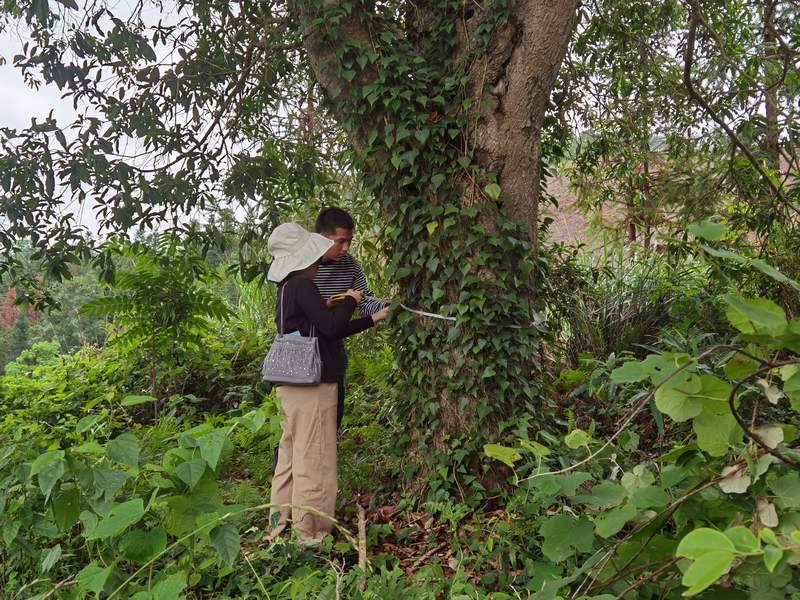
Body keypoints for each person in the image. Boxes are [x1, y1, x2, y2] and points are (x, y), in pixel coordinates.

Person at [265, 223, 389, 542]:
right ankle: (310, 533)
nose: (318, 263)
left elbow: (321, 326)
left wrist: (370, 318)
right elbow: (332, 328)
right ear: (302, 260)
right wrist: (351, 299)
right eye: (314, 258)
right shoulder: (304, 286)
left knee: (291, 457)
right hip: (313, 383)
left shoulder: (286, 289)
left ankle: (278, 527)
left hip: (288, 383)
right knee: (315, 458)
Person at [313, 207, 390, 429]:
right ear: (321, 238)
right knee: (298, 419)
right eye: (339, 241)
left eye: (349, 241)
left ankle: (326, 460)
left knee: (331, 413)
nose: (345, 248)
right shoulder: (302, 267)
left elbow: (364, 301)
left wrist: (388, 307)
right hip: (301, 346)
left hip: (333, 346)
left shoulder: (351, 266)